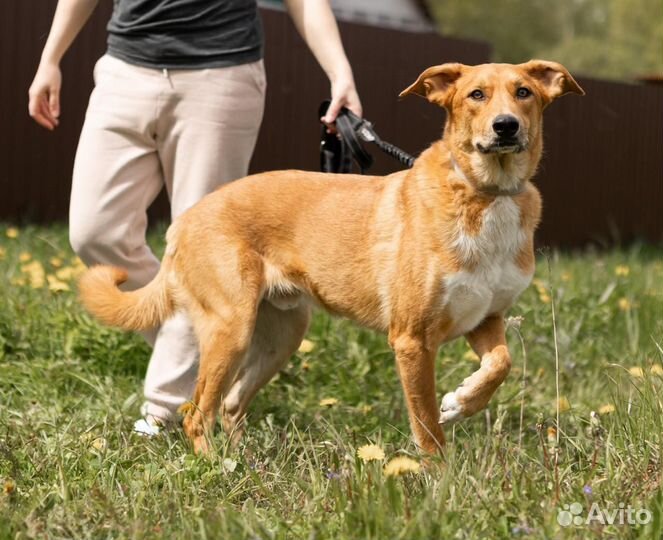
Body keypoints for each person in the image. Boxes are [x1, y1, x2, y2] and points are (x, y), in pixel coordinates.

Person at [29, 0, 362, 435]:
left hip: (220, 77)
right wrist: (49, 58)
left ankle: (166, 410)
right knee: (95, 231)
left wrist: (340, 72)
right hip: (125, 68)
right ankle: (211, 342)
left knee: (209, 251)